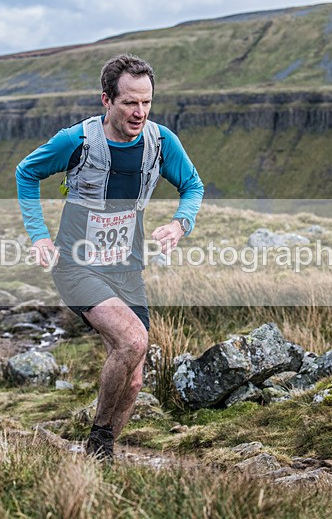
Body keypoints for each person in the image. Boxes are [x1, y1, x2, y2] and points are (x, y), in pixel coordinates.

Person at [15, 54, 203, 462]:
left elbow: (193, 185)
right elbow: (25, 172)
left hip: (127, 268)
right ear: (106, 100)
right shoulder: (77, 141)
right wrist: (39, 236)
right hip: (77, 265)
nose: (139, 112)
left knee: (134, 381)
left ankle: (100, 462)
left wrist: (179, 224)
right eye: (129, 103)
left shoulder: (160, 142)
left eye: (147, 102)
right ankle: (100, 436)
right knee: (132, 339)